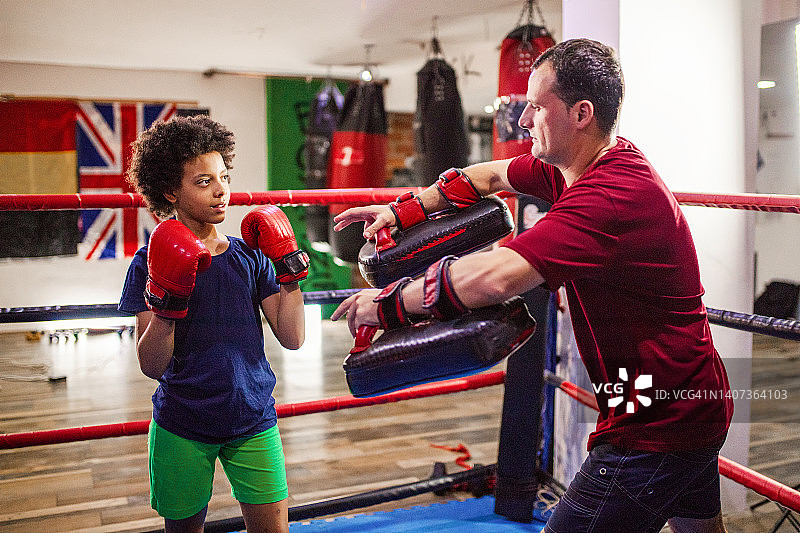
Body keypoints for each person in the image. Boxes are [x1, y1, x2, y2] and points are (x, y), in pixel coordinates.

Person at [331, 38, 733, 533]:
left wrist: (389, 305)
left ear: (581, 113)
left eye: (536, 107)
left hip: (656, 423)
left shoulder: (611, 194)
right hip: (690, 400)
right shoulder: (576, 167)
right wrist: (405, 209)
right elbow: (487, 175)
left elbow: (494, 277)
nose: (521, 121)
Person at [119, 116, 307, 533]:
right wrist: (168, 302)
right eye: (203, 181)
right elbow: (151, 365)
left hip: (253, 418)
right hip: (183, 423)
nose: (221, 189)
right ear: (171, 191)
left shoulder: (250, 255)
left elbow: (292, 338)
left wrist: (290, 271)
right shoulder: (147, 261)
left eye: (224, 176)